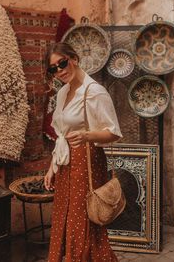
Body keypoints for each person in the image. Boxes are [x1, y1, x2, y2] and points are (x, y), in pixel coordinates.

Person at [44, 42, 122, 262]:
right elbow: (62, 135)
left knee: (83, 222)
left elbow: (113, 132)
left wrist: (87, 135)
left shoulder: (94, 91)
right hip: (65, 163)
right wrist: (52, 168)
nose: (60, 70)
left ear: (74, 59)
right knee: (64, 218)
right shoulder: (63, 93)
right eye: (53, 68)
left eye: (62, 63)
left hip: (87, 162)